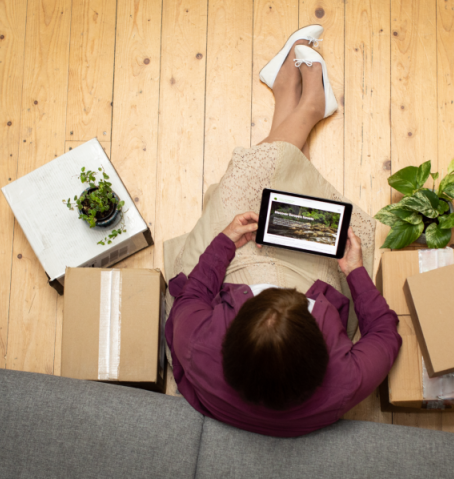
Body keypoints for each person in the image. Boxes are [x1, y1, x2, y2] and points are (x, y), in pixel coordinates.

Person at [165, 26, 402, 437]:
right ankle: (306, 105)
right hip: (315, 273)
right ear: (320, 351)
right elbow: (385, 333)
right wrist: (354, 272)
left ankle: (298, 103)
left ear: (230, 336)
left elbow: (193, 295)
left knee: (243, 183)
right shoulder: (343, 381)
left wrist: (224, 243)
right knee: (280, 189)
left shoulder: (199, 346)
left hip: (230, 266)